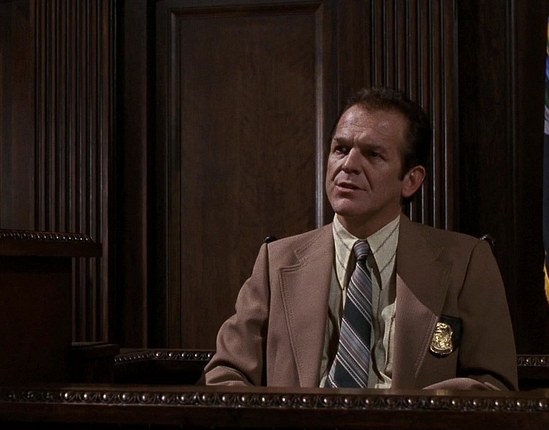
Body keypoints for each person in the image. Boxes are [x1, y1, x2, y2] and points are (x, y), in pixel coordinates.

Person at [202, 86, 518, 391]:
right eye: (340, 149)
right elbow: (224, 374)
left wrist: (406, 417)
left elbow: (493, 384)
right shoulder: (276, 261)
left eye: (373, 154)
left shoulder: (466, 263)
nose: (349, 165)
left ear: (411, 180)